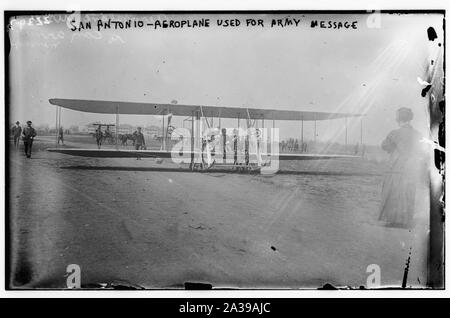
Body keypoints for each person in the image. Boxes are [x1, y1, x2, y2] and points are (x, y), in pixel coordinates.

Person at [378, 107, 428, 228]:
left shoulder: (394, 133)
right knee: (408, 193)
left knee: (393, 193)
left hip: (395, 168)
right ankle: (406, 221)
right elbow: (422, 152)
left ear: (399, 119)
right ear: (410, 119)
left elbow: (384, 146)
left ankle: (393, 220)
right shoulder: (418, 134)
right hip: (411, 169)